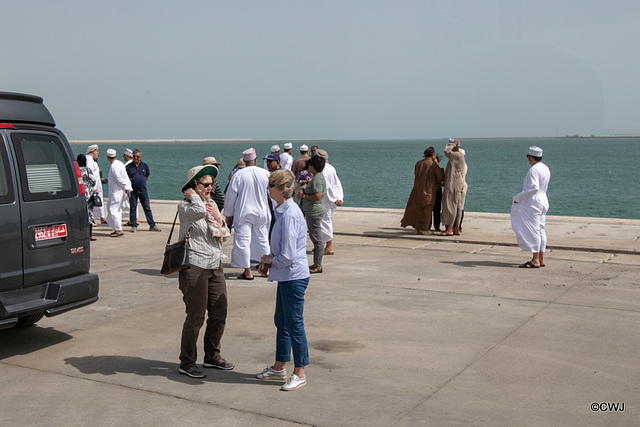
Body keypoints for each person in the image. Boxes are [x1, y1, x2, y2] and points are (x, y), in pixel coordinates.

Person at [177, 164, 234, 378]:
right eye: (206, 185)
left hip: (214, 263)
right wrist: (195, 198)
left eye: (212, 184)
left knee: (219, 312)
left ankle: (212, 356)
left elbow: (224, 233)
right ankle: (187, 361)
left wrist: (217, 218)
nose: (210, 188)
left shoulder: (211, 205)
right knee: (196, 316)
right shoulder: (185, 207)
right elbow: (199, 211)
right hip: (194, 265)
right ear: (195, 186)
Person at [256, 169, 310, 391]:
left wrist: (270, 260)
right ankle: (279, 366)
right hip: (287, 276)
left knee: (294, 323)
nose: (267, 189)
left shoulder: (289, 214)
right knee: (282, 321)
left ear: (280, 189)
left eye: (270, 185)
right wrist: (272, 261)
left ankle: (300, 372)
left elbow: (288, 255)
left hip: (293, 276)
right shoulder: (283, 211)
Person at [224, 148, 271, 280]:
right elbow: (271, 192)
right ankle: (265, 270)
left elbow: (231, 196)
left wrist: (228, 213)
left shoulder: (238, 174)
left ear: (244, 161)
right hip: (262, 211)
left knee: (243, 241)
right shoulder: (265, 173)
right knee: (263, 240)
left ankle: (248, 271)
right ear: (255, 160)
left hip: (244, 212)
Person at [511, 146, 551, 268]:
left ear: (531, 157)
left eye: (528, 157)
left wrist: (518, 198)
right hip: (543, 200)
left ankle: (535, 260)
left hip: (534, 203)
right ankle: (541, 258)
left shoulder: (533, 170)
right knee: (541, 230)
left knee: (534, 230)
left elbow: (534, 188)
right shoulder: (545, 168)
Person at [401, 147, 445, 235]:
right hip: (428, 191)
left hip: (417, 190)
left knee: (418, 209)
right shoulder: (432, 165)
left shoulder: (418, 163)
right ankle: (425, 229)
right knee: (427, 209)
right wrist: (438, 166)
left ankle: (417, 228)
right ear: (433, 155)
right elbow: (440, 178)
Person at [298, 155, 326, 274]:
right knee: (315, 237)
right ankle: (316, 263)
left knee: (317, 238)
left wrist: (303, 196)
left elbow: (318, 195)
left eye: (310, 165)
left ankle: (318, 265)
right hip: (311, 210)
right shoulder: (316, 177)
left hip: (314, 211)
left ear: (313, 166)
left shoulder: (317, 179)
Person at [316, 149, 344, 255]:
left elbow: (327, 186)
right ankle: (321, 245)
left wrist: (333, 198)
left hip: (326, 200)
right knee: (322, 223)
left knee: (325, 222)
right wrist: (339, 197)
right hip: (330, 199)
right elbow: (337, 184)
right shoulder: (331, 167)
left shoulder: (323, 169)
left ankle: (329, 246)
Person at [126, 149, 161, 232]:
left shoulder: (144, 166)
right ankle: (134, 225)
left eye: (137, 156)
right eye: (134, 156)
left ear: (140, 157)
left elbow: (146, 177)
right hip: (132, 191)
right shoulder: (128, 167)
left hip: (143, 190)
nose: (135, 158)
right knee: (133, 208)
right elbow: (125, 178)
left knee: (147, 208)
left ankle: (152, 225)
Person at [440, 138, 468, 236]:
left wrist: (454, 143)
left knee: (450, 205)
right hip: (459, 184)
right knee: (458, 207)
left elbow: (446, 151)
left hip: (454, 184)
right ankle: (456, 228)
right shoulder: (457, 158)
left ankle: (450, 229)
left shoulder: (457, 156)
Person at [105, 149, 132, 237]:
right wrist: (127, 187)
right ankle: (116, 227)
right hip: (118, 191)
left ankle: (118, 229)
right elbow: (125, 177)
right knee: (116, 210)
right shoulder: (120, 163)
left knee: (112, 209)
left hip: (116, 192)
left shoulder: (114, 166)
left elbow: (119, 179)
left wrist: (125, 187)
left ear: (108, 157)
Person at [76, 154, 97, 241]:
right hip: (88, 195)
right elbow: (93, 180)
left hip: (79, 195)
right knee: (89, 215)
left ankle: (79, 235)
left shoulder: (75, 170)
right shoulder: (87, 170)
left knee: (78, 215)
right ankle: (90, 235)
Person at [85, 144, 106, 224]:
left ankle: (101, 217)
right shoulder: (89, 160)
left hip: (96, 186)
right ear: (93, 152)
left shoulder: (91, 160)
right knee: (92, 203)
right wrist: (93, 188)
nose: (98, 153)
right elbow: (89, 173)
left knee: (97, 202)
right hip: (93, 187)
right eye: (97, 151)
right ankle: (92, 219)